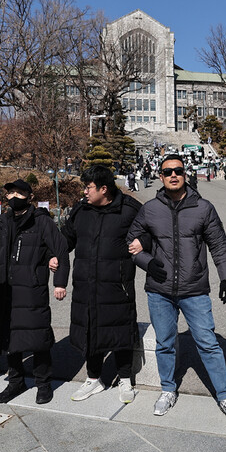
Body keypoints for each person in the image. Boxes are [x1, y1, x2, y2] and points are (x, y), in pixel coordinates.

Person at [127, 154, 226, 425]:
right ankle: (168, 389)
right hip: (159, 289)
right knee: (165, 343)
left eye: (178, 170)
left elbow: (219, 245)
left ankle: (225, 395)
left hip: (194, 289)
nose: (173, 175)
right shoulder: (150, 209)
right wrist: (147, 262)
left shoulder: (203, 208)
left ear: (185, 173)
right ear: (161, 176)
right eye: (168, 172)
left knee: (207, 342)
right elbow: (130, 242)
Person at [59, 166, 143, 404]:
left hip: (117, 285)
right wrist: (54, 253)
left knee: (120, 330)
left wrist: (142, 242)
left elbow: (148, 232)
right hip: (86, 284)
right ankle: (93, 379)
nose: (84, 192)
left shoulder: (129, 209)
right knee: (90, 330)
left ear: (104, 189)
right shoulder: (81, 210)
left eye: (88, 187)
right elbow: (66, 238)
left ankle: (126, 380)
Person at [0, 180, 69, 405]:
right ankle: (15, 381)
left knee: (37, 338)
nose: (15, 196)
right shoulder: (4, 222)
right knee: (9, 337)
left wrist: (59, 282)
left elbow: (61, 251)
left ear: (30, 196)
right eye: (11, 192)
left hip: (31, 290)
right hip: (4, 290)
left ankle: (43, 383)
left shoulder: (42, 221)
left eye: (20, 192)